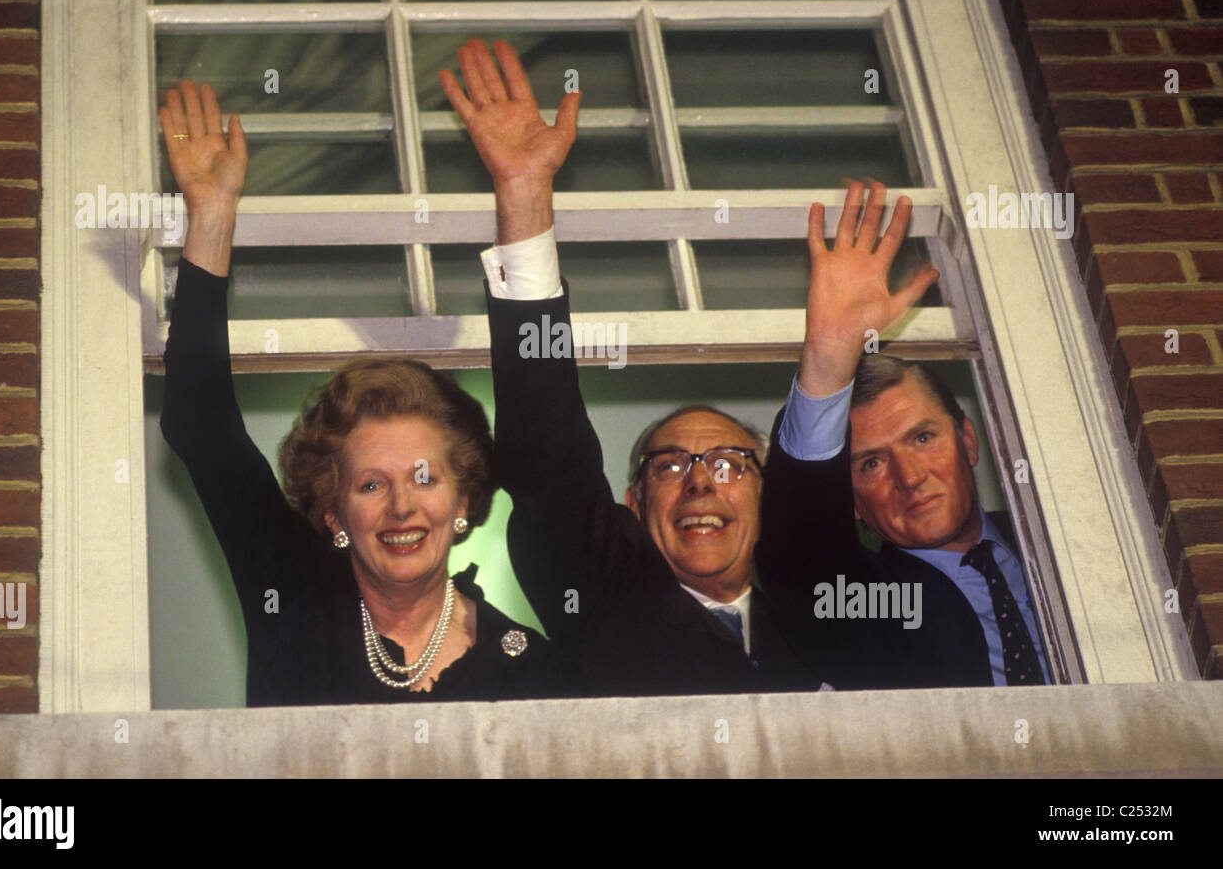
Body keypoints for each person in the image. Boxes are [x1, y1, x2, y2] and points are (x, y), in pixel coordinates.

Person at [439, 38, 822, 695]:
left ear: (766, 496)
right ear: (632, 506)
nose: (700, 482)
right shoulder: (607, 592)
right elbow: (548, 453)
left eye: (728, 463)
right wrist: (525, 197)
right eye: (669, 466)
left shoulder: (828, 623)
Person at [157, 79, 558, 705]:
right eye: (371, 484)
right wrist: (210, 218)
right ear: (333, 512)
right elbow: (199, 425)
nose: (401, 507)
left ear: (464, 500)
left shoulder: (530, 666)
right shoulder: (292, 598)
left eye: (425, 478)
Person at [755, 181, 1053, 689]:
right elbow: (799, 556)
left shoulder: (1051, 539)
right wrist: (829, 361)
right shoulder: (867, 598)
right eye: (870, 462)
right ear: (849, 502)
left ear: (968, 440)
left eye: (922, 438)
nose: (910, 477)